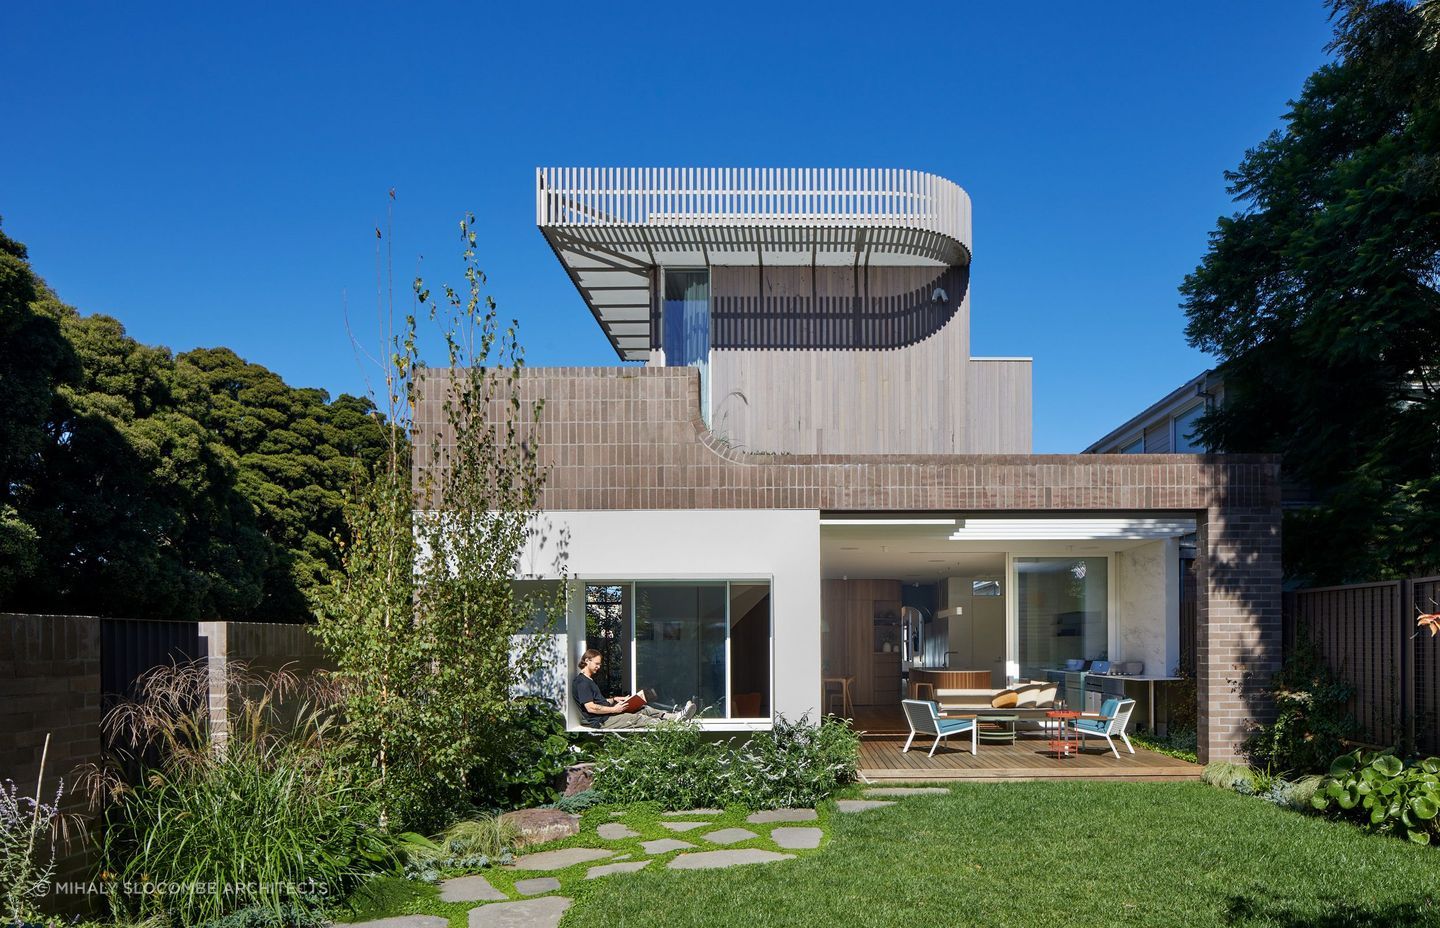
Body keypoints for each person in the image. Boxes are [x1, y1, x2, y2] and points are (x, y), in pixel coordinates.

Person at [573, 649, 696, 729]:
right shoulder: (582, 683)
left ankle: (676, 717)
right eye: (597, 664)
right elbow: (591, 707)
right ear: (587, 660)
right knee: (637, 718)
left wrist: (615, 699)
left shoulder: (589, 681)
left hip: (608, 714)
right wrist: (614, 709)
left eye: (600, 664)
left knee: (643, 708)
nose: (599, 667)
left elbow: (598, 701)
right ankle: (673, 726)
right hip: (601, 721)